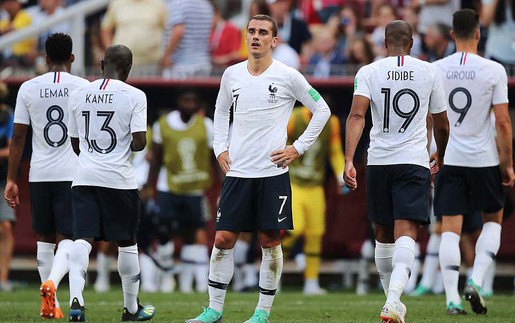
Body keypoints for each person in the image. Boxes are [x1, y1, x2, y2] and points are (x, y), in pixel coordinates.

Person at [186, 14, 330, 323]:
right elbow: (221, 110)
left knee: (269, 241)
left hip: (272, 174)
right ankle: (214, 310)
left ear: (274, 41)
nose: (255, 36)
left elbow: (322, 109)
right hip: (238, 173)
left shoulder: (288, 75)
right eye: (251, 31)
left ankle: (262, 313)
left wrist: (297, 147)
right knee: (223, 239)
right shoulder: (232, 75)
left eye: (263, 32)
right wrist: (219, 147)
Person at [344, 20, 449, 323]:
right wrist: (439, 154)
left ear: (385, 43)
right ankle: (393, 300)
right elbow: (441, 123)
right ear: (412, 42)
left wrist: (349, 159)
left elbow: (356, 115)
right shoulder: (429, 71)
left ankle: (391, 301)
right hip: (412, 160)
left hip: (378, 161)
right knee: (407, 232)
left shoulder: (369, 71)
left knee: (383, 235)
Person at [433, 8, 514, 315]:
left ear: (452, 35)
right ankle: (477, 281)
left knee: (450, 229)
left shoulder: (437, 68)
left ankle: (452, 298)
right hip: (483, 159)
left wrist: (434, 150)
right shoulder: (494, 70)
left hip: (450, 157)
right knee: (493, 221)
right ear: (480, 33)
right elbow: (503, 122)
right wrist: (507, 163)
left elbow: (433, 118)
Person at [66, 44, 155, 322]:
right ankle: (131, 309)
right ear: (128, 69)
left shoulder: (79, 93)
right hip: (119, 179)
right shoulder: (135, 95)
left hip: (84, 177)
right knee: (127, 242)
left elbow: (75, 142)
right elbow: (140, 143)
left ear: (102, 63)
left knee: (82, 238)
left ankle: (76, 301)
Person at [4, 33, 89, 319]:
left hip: (39, 171)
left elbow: (18, 137)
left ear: (45, 58)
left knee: (43, 236)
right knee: (69, 236)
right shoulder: (83, 87)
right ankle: (55, 285)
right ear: (73, 58)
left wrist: (11, 179)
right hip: (73, 172)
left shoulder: (28, 88)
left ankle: (48, 298)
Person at [147, 89, 214, 294]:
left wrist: (222, 185)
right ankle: (166, 277)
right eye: (186, 100)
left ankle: (186, 282)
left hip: (194, 188)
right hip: (169, 186)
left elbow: (213, 157)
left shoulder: (206, 125)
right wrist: (151, 185)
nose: (189, 105)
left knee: (192, 233)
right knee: (164, 230)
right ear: (178, 102)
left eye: (193, 101)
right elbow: (156, 157)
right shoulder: (163, 124)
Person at [281, 105, 345, 295]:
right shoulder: (294, 118)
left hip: (315, 185)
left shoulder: (331, 122)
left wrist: (341, 174)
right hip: (293, 182)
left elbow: (334, 151)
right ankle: (272, 272)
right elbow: (278, 141)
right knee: (295, 228)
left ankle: (311, 282)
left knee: (315, 235)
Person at [100, 0, 167, 76]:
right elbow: (106, 29)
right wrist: (112, 53)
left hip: (152, 63)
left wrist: (166, 55)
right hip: (122, 64)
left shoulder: (158, 3)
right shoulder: (117, 3)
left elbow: (169, 29)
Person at [161, 0, 214, 78]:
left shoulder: (178, 3)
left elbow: (178, 31)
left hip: (180, 66)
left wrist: (167, 55)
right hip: (203, 63)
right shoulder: (206, 4)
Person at [0, 83, 14, 292]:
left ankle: (3, 278)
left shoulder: (6, 116)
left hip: (1, 177)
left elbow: (10, 149)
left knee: (5, 227)